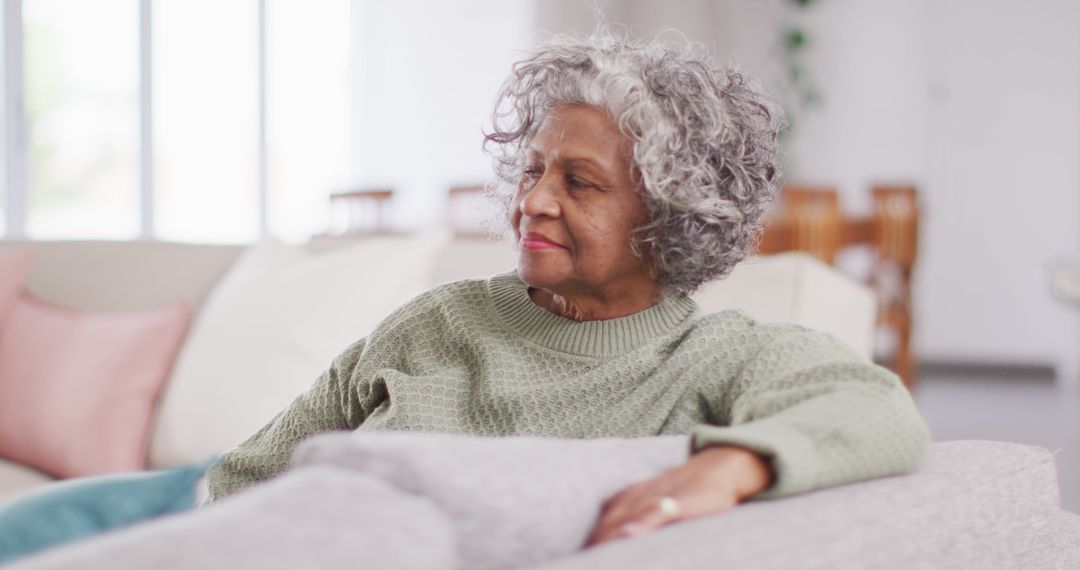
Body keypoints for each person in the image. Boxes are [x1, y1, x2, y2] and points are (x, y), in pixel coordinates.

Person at [205, 30, 929, 547]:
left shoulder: (714, 357)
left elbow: (879, 411)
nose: (534, 202)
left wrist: (729, 467)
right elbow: (242, 479)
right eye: (531, 171)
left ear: (670, 215)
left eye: (578, 182)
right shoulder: (436, 323)